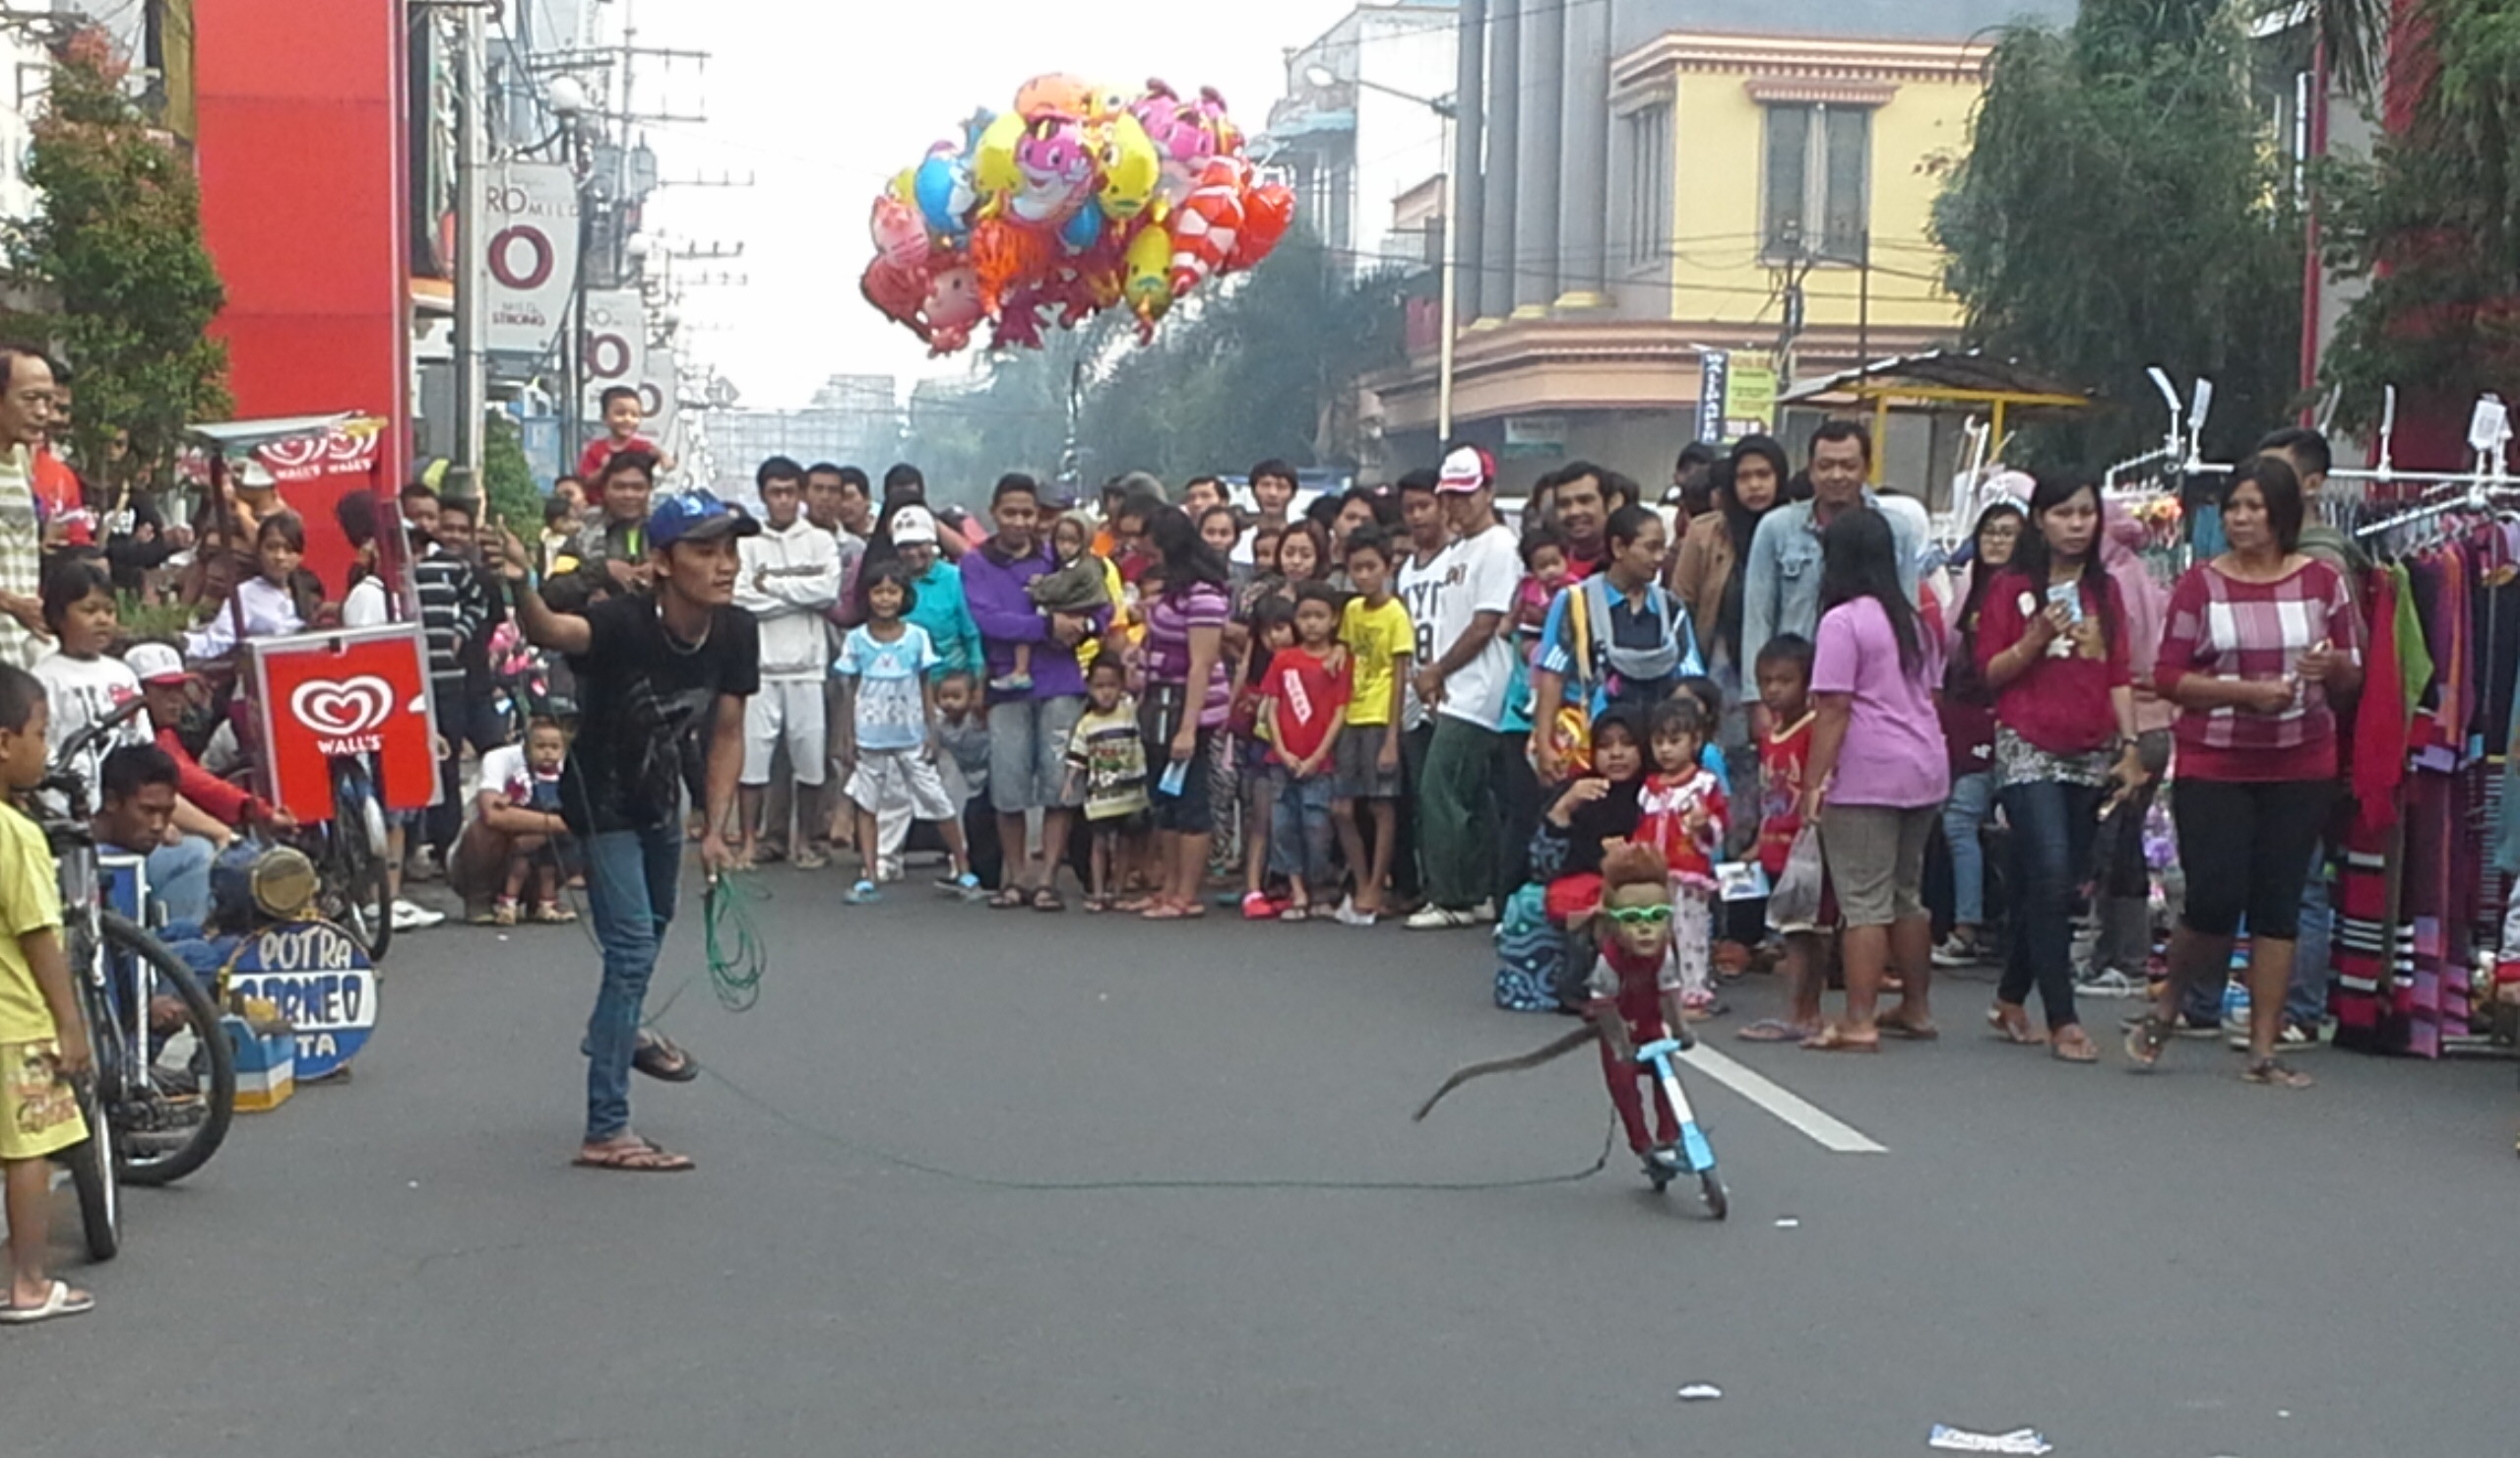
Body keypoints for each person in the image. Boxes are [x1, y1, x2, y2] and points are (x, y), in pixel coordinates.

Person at [497, 488, 761, 1174]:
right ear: (665, 561)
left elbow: (726, 731)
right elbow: (553, 632)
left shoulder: (736, 631)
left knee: (655, 928)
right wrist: (523, 582)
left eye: (730, 550)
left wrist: (715, 824)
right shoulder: (623, 621)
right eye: (706, 551)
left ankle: (613, 1027)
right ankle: (606, 1126)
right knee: (632, 947)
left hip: (657, 799)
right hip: (602, 799)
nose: (725, 564)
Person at [2128, 454, 2362, 1088]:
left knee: (2279, 901)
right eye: (2233, 506)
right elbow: (2169, 675)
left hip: (2302, 760)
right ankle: (2171, 1002)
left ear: (2282, 514)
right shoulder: (2201, 585)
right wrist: (2244, 693)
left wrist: (2328, 668)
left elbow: (2352, 671)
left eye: (2255, 507)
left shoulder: (2322, 581)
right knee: (2214, 896)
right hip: (2216, 760)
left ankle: (2263, 1046)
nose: (2241, 518)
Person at [1975, 475, 2146, 1063]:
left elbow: (2118, 672)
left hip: (2091, 746)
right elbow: (1990, 672)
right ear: (2039, 520)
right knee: (2049, 872)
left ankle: (2009, 996)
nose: (2076, 525)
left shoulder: (2108, 592)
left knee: (2058, 882)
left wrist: (2130, 746)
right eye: (2063, 514)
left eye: (2085, 514)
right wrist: (2035, 637)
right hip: (2027, 744)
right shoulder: (2010, 588)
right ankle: (2063, 1018)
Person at [1801, 509, 1948, 1053]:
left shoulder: (1843, 622)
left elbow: (1834, 707)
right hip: (1925, 764)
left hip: (1868, 772)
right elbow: (1931, 694)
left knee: (1862, 900)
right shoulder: (1914, 620)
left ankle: (1858, 1018)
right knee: (1906, 893)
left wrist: (1813, 781)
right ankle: (1916, 1005)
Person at [961, 475, 1103, 911]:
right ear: (993, 512)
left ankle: (1047, 878)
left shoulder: (1059, 554)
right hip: (1007, 687)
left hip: (1060, 682)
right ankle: (1016, 874)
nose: (1019, 522)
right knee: (1009, 786)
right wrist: (1046, 627)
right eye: (1010, 513)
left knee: (1060, 784)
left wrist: (1083, 627)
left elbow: (1101, 601)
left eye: (1027, 513)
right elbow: (989, 620)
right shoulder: (976, 563)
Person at [0, 663, 94, 1322]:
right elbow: (39, 937)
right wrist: (70, 1021)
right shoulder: (17, 835)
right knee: (28, 1150)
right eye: (39, 731)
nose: (44, 746)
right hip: (15, 1023)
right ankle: (28, 1280)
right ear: (6, 742)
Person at [1406, 447, 1521, 930]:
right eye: (1449, 496)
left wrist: (1437, 671)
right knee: (1468, 797)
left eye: (1465, 494)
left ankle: (1450, 894)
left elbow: (1483, 625)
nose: (1455, 506)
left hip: (1478, 688)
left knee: (1442, 790)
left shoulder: (1498, 545)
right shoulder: (1457, 550)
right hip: (1450, 688)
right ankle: (1476, 893)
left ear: (1489, 492)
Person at [832, 559, 976, 902]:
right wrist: (846, 733)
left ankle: (963, 868)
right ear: (867, 597)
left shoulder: (916, 638)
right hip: (870, 734)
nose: (885, 599)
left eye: (892, 591)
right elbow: (850, 690)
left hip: (910, 733)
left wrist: (931, 729)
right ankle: (869, 873)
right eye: (878, 592)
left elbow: (925, 684)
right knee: (867, 804)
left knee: (937, 800)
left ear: (903, 596)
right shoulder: (857, 641)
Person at [1530, 505, 1701, 784]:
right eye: (1650, 548)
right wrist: (1545, 744)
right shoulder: (1575, 603)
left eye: (1662, 548)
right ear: (1619, 547)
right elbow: (1552, 675)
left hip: (1657, 753)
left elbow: (1690, 679)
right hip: (1594, 750)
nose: (1659, 558)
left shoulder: (1671, 608)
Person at [732, 457, 842, 869]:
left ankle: (807, 842)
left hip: (808, 669)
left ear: (800, 495)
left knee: (810, 760)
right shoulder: (746, 544)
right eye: (775, 493)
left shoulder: (820, 541)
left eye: (789, 492)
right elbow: (740, 598)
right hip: (759, 670)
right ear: (763, 495)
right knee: (754, 762)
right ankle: (749, 842)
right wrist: (798, 593)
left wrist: (771, 587)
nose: (783, 501)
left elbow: (827, 591)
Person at [1739, 421, 1922, 666]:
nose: (1836, 476)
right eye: (1825, 466)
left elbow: (1908, 616)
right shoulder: (1775, 528)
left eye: (1848, 466)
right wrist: (1757, 695)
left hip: (1870, 681)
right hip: (1794, 683)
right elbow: (1757, 620)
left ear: (1867, 469)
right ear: (1811, 470)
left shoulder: (1896, 530)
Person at [1933, 501, 2024, 969]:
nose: (1997, 541)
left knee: (1962, 817)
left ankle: (1969, 926)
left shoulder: (2027, 592)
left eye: (2008, 533)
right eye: (1990, 532)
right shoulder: (1971, 584)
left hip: (2001, 719)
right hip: (1961, 717)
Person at [1575, 841, 1698, 1180]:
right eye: (1633, 919)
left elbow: (1669, 992)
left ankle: (1669, 1137)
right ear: (1613, 924)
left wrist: (1680, 1029)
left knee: (1666, 1080)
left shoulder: (1664, 955)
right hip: (1619, 1027)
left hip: (1650, 1023)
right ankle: (1642, 1143)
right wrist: (1619, 1045)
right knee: (1624, 1084)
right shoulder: (1610, 960)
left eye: (1656, 918)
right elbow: (1603, 1003)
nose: (1646, 929)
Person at [1134, 506, 1231, 920]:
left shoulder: (1204, 595)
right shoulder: (1173, 590)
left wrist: (1189, 728)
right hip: (1160, 701)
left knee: (1191, 798)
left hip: (1191, 705)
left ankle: (1186, 893)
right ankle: (1168, 887)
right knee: (1165, 798)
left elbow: (1202, 663)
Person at [1735, 635, 1828, 1044]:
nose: (1773, 690)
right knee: (1792, 930)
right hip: (1775, 843)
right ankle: (1803, 1011)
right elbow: (1767, 793)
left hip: (1804, 847)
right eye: (1766, 681)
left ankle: (1801, 1011)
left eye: (1785, 681)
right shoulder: (1770, 734)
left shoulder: (1812, 729)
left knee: (1805, 932)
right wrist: (1759, 841)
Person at [404, 485, 493, 881]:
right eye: (415, 516)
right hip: (407, 683)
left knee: (447, 763)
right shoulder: (392, 567)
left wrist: (460, 631)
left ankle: (445, 847)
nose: (423, 525)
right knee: (409, 764)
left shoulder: (449, 566)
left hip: (448, 681)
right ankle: (408, 847)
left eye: (429, 517)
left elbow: (479, 603)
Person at [1331, 528, 1413, 924]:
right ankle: (1361, 879)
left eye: (1370, 567)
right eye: (1356, 569)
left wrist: (1392, 738)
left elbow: (1399, 676)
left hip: (1381, 716)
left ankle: (1378, 884)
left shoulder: (1396, 614)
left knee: (1382, 805)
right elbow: (1347, 656)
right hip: (1351, 714)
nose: (1363, 576)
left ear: (1387, 567)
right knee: (1344, 807)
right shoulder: (1351, 611)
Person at [1261, 583, 1351, 919]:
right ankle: (1297, 889)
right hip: (1282, 759)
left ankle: (1319, 887)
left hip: (1321, 760)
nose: (1311, 623)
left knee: (1317, 824)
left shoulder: (1338, 662)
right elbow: (1272, 706)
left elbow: (1340, 711)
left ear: (1333, 620)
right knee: (1284, 824)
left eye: (1319, 616)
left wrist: (1317, 755)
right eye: (1305, 616)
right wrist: (1281, 749)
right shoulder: (1284, 661)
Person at [1635, 696, 1728, 1018]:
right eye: (1659, 741)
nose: (1665, 749)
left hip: (1688, 872)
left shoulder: (1704, 784)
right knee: (1656, 934)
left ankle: (1694, 991)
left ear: (1696, 741)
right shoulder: (1650, 788)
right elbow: (1643, 830)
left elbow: (1718, 829)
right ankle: (1662, 990)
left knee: (1691, 933)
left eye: (1674, 741)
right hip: (1655, 875)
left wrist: (1705, 826)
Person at [452, 717, 576, 926]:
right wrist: (557, 824)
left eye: (554, 747)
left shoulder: (570, 767)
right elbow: (492, 813)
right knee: (484, 831)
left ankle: (544, 899)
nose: (548, 752)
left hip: (547, 840)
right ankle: (480, 898)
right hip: (505, 846)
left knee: (580, 837)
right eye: (541, 746)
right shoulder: (503, 761)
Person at [1064, 658, 1150, 911]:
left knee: (1125, 842)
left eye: (1112, 685)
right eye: (1099, 686)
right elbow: (1077, 756)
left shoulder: (1128, 711)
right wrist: (1070, 781)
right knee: (1099, 842)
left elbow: (1143, 694)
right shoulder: (1087, 723)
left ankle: (1118, 890)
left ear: (1121, 686)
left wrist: (1134, 670)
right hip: (1101, 794)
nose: (1106, 692)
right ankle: (1098, 891)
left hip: (1130, 791)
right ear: (1089, 688)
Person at [997, 513, 1110, 695]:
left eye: (1073, 541)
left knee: (1029, 620)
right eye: (1061, 540)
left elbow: (1060, 588)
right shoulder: (1065, 564)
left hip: (1077, 608)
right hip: (1076, 610)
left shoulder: (1081, 567)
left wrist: (1036, 591)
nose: (1065, 547)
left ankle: (1021, 670)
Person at [1235, 598, 1297, 919]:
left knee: (1291, 821)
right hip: (1263, 748)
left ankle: (1286, 884)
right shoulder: (1257, 672)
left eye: (1280, 628)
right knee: (1261, 819)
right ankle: (1252, 888)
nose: (1274, 638)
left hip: (1300, 749)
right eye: (1265, 632)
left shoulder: (1305, 662)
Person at [182, 511, 314, 659]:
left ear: (300, 556)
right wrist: (181, 643)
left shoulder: (308, 591)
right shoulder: (245, 594)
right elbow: (219, 641)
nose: (279, 556)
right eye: (271, 548)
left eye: (288, 550)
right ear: (259, 551)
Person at [0, 347, 57, 670]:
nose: (42, 412)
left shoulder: (22, 459)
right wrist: (8, 602)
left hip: (20, 657)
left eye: (48, 400)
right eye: (30, 398)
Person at [931, 669, 998, 889]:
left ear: (971, 698)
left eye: (956, 697)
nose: (950, 703)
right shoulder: (940, 725)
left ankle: (989, 874)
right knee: (960, 817)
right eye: (945, 697)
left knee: (984, 822)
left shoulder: (976, 718)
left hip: (991, 772)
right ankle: (961, 867)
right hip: (966, 776)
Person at [567, 452, 660, 601]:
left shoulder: (666, 529)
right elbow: (553, 589)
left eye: (638, 488)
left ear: (649, 490)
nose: (628, 495)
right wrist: (602, 572)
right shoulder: (582, 528)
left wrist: (661, 573)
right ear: (605, 489)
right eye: (619, 487)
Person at [575, 385, 670, 498]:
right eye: (620, 413)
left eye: (634, 415)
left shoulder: (642, 447)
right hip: (600, 506)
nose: (627, 419)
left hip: (635, 503)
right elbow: (586, 481)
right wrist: (606, 469)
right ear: (605, 418)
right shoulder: (594, 449)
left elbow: (667, 462)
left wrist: (663, 458)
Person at [1546, 463, 1613, 576]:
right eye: (1564, 504)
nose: (1574, 512)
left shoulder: (1631, 565)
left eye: (1585, 500)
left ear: (1610, 504)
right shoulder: (1547, 567)